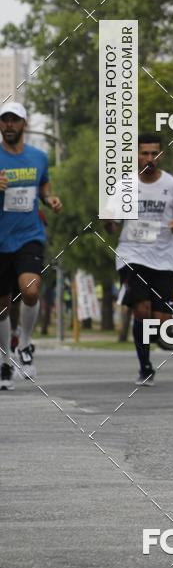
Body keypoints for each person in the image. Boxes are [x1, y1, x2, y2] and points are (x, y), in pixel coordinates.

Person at [105, 133, 173, 386]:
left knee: (161, 321)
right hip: (132, 254)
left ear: (161, 156)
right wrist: (108, 222)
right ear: (135, 155)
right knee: (141, 310)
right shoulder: (124, 186)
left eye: (154, 153)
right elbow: (111, 225)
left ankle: (147, 344)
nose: (149, 158)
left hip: (164, 258)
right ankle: (145, 367)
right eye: (144, 153)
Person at [0, 102, 62, 388]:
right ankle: (4, 360)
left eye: (14, 120)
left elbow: (43, 185)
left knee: (30, 290)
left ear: (24, 124)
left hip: (29, 235)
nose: (9, 125)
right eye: (5, 121)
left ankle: (24, 344)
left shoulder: (38, 156)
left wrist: (48, 199)